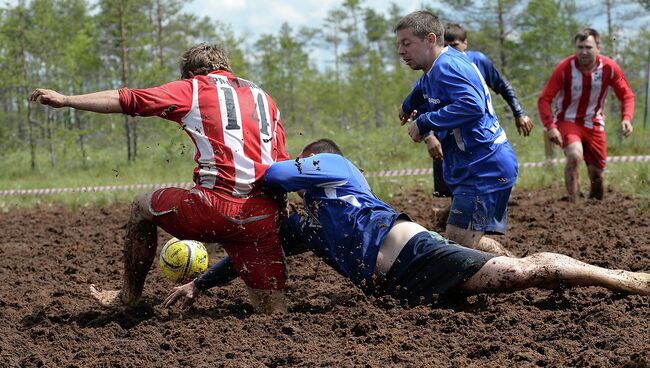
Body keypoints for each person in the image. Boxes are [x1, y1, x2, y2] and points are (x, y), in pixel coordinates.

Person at [164, 138, 650, 309]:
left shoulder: (337, 167)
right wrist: (199, 286)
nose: (300, 167)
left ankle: (622, 279)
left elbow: (274, 172)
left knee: (522, 274)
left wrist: (247, 169)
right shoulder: (302, 225)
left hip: (416, 252)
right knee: (500, 282)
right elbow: (250, 255)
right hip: (398, 290)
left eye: (304, 161)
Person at [30, 44, 290, 314]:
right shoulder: (264, 97)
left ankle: (129, 296)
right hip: (260, 218)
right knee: (273, 314)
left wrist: (68, 99)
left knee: (141, 206)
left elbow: (128, 99)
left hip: (211, 209)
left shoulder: (195, 87)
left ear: (189, 73)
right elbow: (281, 162)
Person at [394, 11, 517, 256]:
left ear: (430, 39)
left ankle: (528, 272)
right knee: (463, 244)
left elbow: (472, 106)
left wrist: (425, 121)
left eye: (406, 43)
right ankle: (521, 268)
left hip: (483, 166)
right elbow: (423, 86)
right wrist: (409, 104)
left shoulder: (446, 67)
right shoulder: (439, 63)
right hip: (474, 162)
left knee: (456, 250)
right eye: (398, 44)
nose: (400, 50)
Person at [538, 28, 634, 202]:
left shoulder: (610, 68)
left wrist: (627, 118)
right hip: (568, 121)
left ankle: (594, 207)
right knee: (575, 155)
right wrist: (550, 127)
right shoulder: (565, 68)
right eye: (580, 47)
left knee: (597, 174)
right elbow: (544, 99)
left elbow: (626, 94)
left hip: (595, 123)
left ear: (598, 47)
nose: (583, 52)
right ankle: (574, 204)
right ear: (575, 48)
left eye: (588, 47)